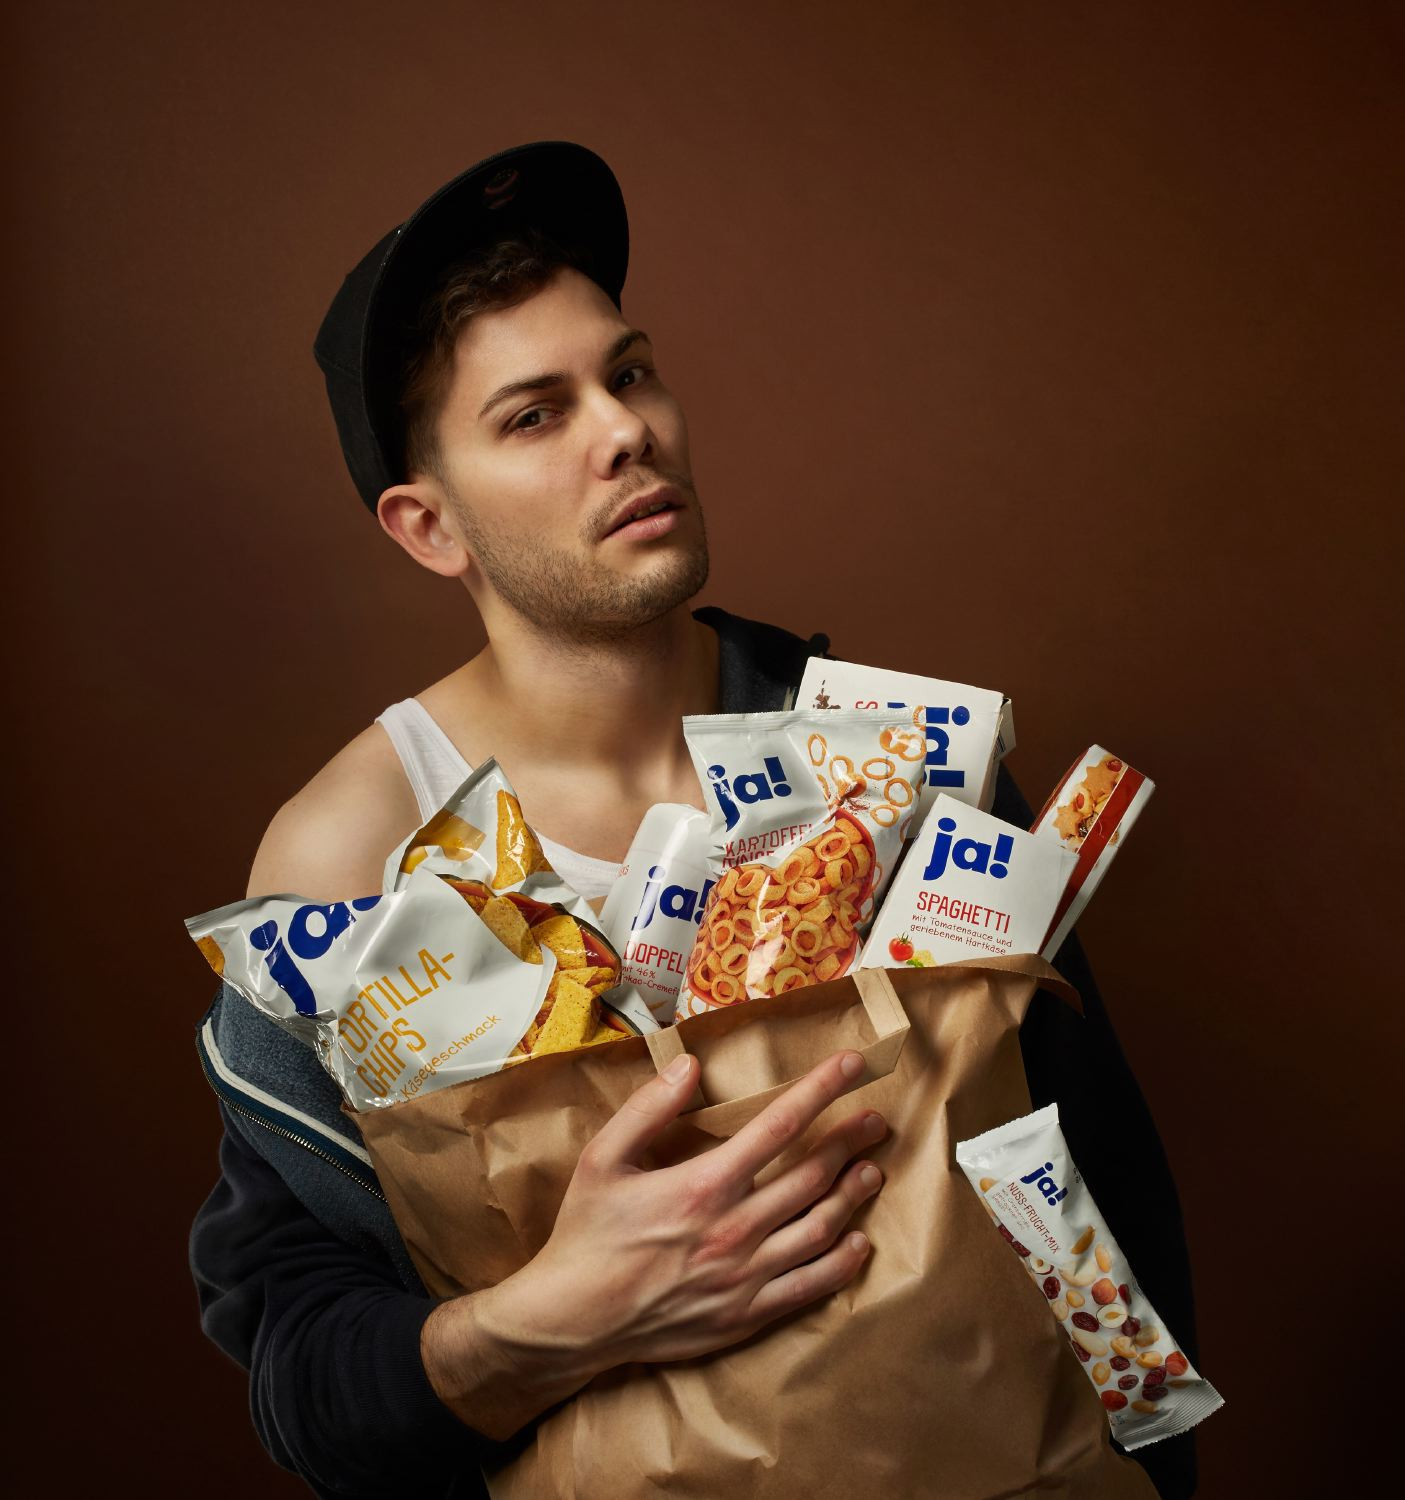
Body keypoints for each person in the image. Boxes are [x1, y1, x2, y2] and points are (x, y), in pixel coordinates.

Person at [191, 141, 1199, 1499]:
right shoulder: (348, 861)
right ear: (431, 529)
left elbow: (1100, 1199)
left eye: (630, 373)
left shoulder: (889, 760)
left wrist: (1160, 1471)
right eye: (534, 416)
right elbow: (303, 1365)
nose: (626, 431)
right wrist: (542, 1324)